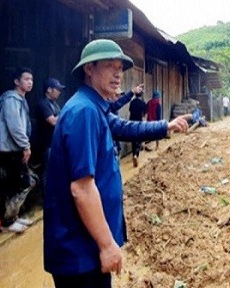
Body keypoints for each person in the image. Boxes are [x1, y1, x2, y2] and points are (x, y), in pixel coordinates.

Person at [43, 39, 189, 288]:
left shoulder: (93, 106)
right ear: (89, 69)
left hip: (84, 247)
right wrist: (107, 245)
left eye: (120, 68)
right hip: (80, 251)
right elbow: (81, 189)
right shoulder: (84, 112)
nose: (118, 74)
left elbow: (122, 126)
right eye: (110, 66)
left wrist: (165, 126)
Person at [0, 67, 37, 233]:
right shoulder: (12, 100)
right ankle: (7, 221)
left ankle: (13, 217)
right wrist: (25, 145)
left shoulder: (19, 99)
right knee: (21, 183)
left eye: (31, 79)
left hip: (14, 149)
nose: (30, 82)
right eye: (26, 79)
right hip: (10, 150)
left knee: (17, 183)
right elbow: (15, 127)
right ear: (16, 81)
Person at [34, 78, 66, 182]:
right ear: (49, 89)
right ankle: (45, 197)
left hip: (55, 144)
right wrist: (66, 114)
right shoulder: (43, 103)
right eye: (57, 89)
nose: (59, 92)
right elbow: (52, 121)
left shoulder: (55, 104)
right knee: (47, 174)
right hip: (46, 145)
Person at [128, 90, 147, 167]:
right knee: (139, 140)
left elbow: (130, 111)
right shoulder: (143, 103)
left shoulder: (132, 102)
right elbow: (144, 115)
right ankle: (136, 155)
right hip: (139, 123)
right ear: (141, 95)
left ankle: (133, 155)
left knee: (133, 140)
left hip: (132, 122)